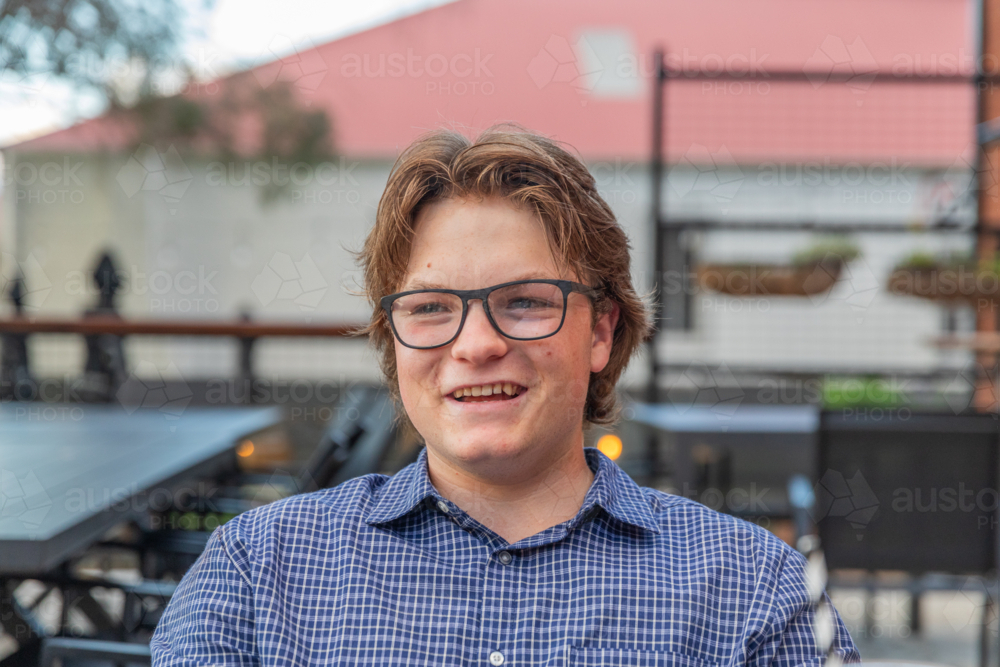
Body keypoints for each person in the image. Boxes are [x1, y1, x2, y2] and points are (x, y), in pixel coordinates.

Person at [151, 124, 860, 665]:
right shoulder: (258, 573)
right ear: (393, 338)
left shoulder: (753, 592)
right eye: (431, 307)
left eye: (524, 301)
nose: (476, 343)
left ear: (601, 331)